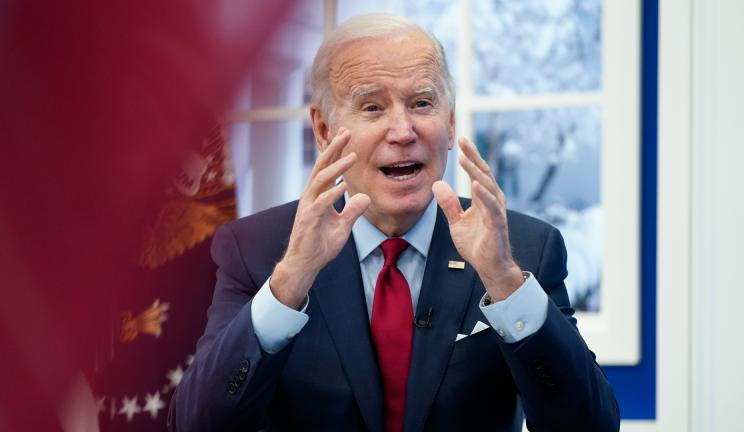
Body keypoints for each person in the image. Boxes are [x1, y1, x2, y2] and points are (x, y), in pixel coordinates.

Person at [169, 14, 619, 432]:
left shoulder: (524, 248)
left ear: (449, 120)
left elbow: (590, 426)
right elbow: (195, 424)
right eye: (372, 108)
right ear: (324, 130)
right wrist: (289, 282)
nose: (403, 131)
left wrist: (505, 283)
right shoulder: (256, 249)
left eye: (422, 103)